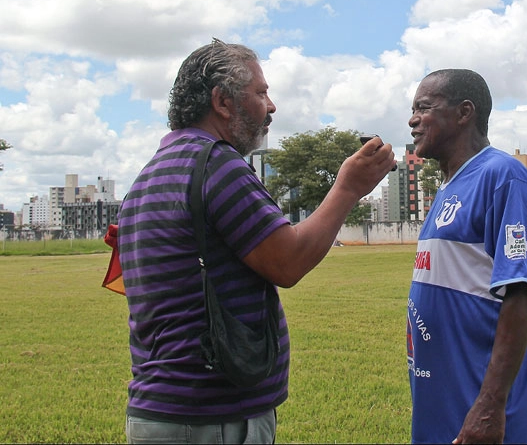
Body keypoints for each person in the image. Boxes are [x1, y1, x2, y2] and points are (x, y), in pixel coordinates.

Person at [117, 38, 395, 444]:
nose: (272, 106)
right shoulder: (217, 163)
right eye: (261, 93)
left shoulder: (149, 175)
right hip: (212, 418)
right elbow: (288, 262)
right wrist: (349, 188)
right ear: (223, 102)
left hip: (160, 408)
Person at [405, 69, 527, 444]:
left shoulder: (504, 177)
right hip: (445, 399)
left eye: (423, 107)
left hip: (489, 409)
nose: (412, 120)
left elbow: (521, 293)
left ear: (464, 112)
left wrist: (490, 405)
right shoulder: (447, 187)